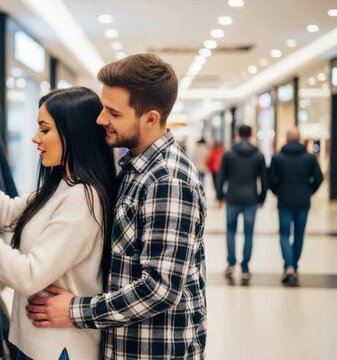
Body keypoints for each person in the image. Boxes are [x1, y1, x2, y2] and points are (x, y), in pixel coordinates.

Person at [24, 54, 208, 359]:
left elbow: (160, 289)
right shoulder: (133, 168)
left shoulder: (168, 181)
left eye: (113, 112)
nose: (100, 120)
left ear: (150, 118)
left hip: (153, 351)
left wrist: (75, 310)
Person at [0, 87, 117, 360]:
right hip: (37, 343)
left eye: (45, 130)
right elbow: (5, 213)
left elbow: (28, 274)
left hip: (58, 349)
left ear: (73, 133)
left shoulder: (83, 199)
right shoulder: (60, 187)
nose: (35, 138)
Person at [268, 127, 323, 285]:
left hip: (284, 201)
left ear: (286, 139)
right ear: (299, 139)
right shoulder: (310, 158)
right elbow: (318, 178)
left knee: (284, 234)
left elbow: (270, 179)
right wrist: (309, 191)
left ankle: (289, 266)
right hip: (303, 201)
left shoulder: (278, 157)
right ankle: (294, 265)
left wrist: (278, 191)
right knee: (299, 234)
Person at [216, 125, 267, 282]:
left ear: (237, 135)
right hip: (251, 198)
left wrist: (220, 195)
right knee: (248, 233)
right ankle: (245, 267)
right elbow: (264, 180)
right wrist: (262, 197)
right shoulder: (258, 155)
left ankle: (231, 264)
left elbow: (221, 176)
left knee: (230, 231)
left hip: (232, 198)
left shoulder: (229, 154)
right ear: (251, 135)